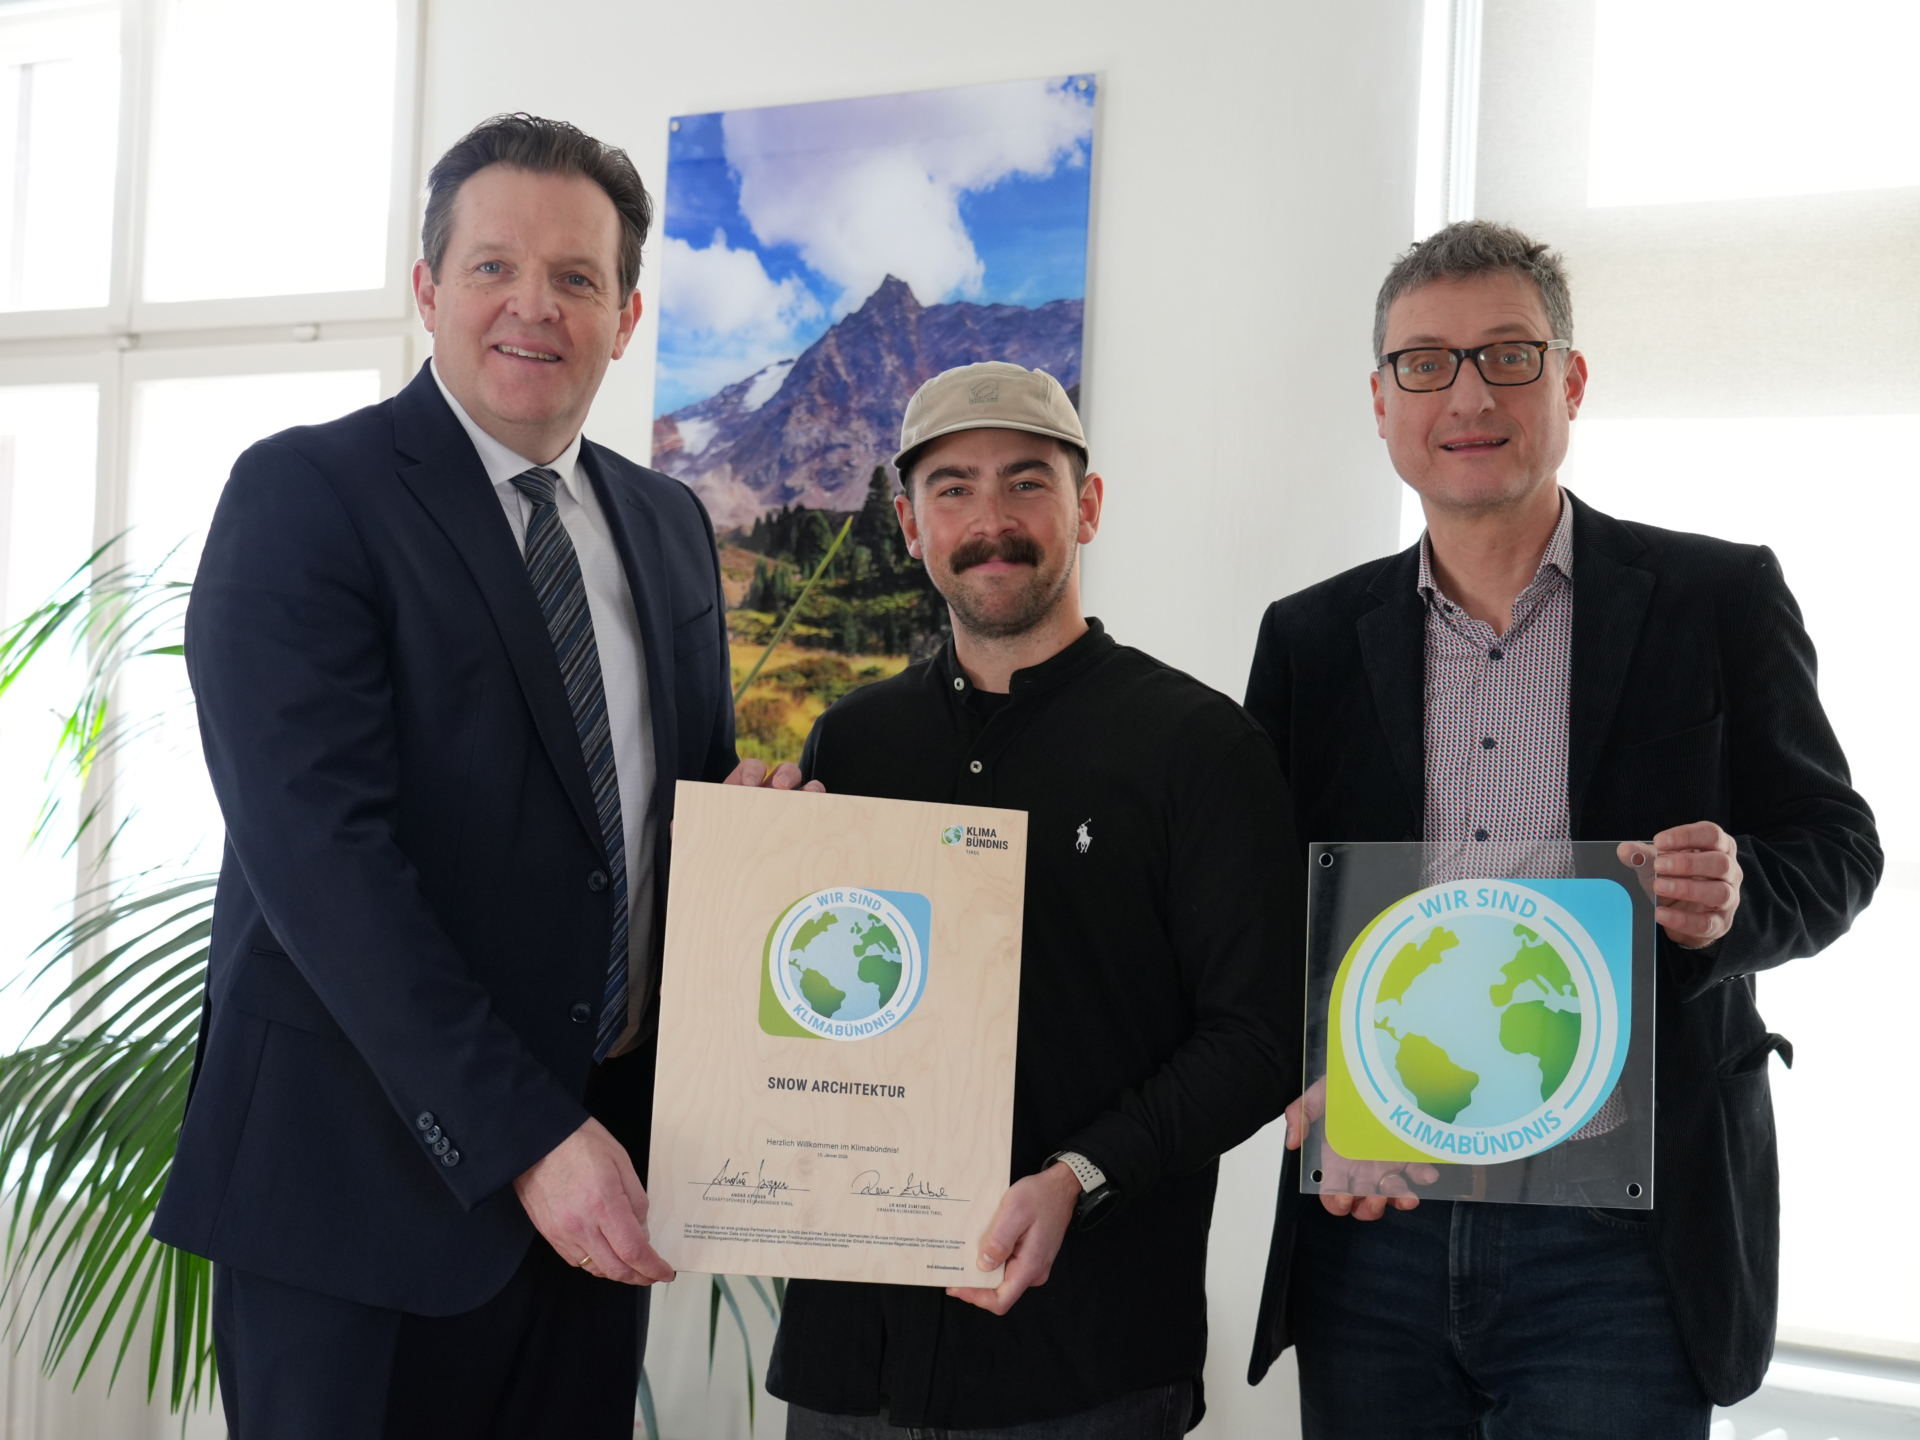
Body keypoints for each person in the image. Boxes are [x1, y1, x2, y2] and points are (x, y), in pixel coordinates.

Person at [152, 114, 767, 1438]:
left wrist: (757, 838)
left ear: (627, 315)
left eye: (576, 277)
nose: (533, 306)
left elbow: (671, 810)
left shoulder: (666, 524)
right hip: (355, 1209)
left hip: (599, 1198)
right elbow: (324, 861)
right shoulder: (305, 495)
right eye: (494, 267)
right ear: (428, 289)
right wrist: (527, 1138)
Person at [1242, 220, 1883, 1438]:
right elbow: (1256, 912)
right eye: (1425, 363)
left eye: (1509, 355)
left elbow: (1837, 847)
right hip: (1380, 1223)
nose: (1468, 395)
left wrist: (1739, 892)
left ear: (1570, 380)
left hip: (1624, 1243)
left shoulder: (1717, 597)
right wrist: (1317, 1082)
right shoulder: (1309, 640)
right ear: (1380, 403)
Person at [764, 361, 1304, 1437]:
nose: (991, 521)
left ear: (1086, 506)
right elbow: (811, 1009)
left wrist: (1078, 1176)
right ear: (911, 525)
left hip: (1084, 1367)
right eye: (953, 488)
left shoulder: (1198, 747)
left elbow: (1260, 1036)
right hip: (854, 1363)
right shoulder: (852, 743)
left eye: (1026, 482)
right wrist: (746, 883)